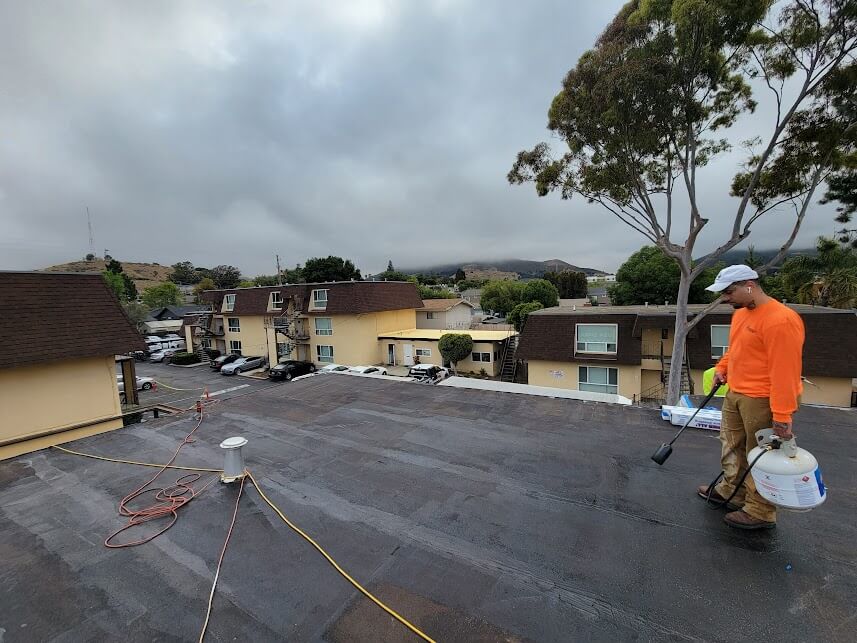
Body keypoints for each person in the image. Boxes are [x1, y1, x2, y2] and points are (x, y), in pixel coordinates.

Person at [697, 265, 805, 530]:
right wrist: (722, 368)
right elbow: (736, 349)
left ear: (749, 285)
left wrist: (782, 415)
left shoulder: (781, 320)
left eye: (729, 291)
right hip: (736, 392)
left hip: (762, 399)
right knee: (731, 443)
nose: (725, 298)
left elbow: (785, 372)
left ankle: (760, 510)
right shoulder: (742, 315)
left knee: (761, 454)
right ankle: (733, 490)